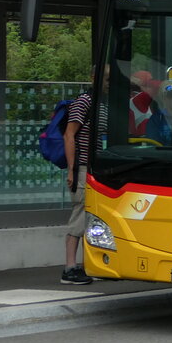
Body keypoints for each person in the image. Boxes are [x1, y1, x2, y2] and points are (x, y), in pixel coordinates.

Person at [61, 85, 95, 284]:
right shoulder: (84, 102)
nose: (109, 83)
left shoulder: (103, 103)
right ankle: (70, 268)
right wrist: (72, 169)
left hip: (94, 170)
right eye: (107, 78)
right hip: (81, 169)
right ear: (95, 77)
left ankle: (87, 265)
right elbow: (69, 135)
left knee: (91, 218)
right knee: (80, 214)